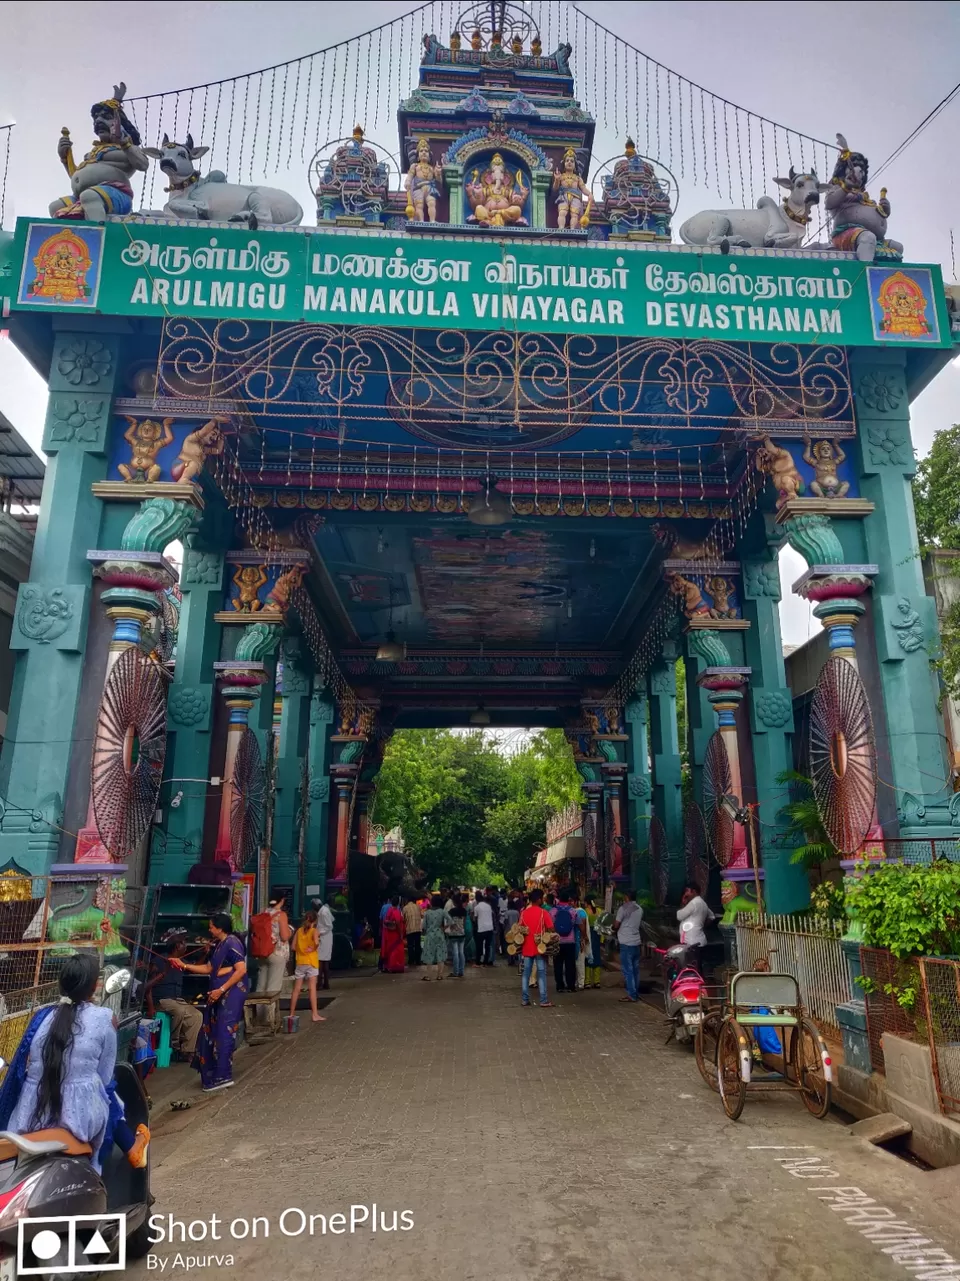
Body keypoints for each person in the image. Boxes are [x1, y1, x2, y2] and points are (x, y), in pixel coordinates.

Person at [0, 952, 149, 1171]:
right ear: (94, 986)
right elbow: (105, 1075)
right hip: (81, 1117)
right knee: (108, 1093)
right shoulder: (105, 1018)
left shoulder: (41, 1018)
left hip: (27, 1117)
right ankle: (130, 1147)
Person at [173, 913, 249, 1093]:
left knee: (224, 1032)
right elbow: (209, 968)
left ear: (220, 927)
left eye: (211, 926)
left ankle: (223, 1075)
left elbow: (241, 970)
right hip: (218, 993)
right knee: (213, 1031)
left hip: (230, 994)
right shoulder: (219, 944)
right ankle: (214, 1074)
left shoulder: (232, 943)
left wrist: (221, 990)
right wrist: (183, 965)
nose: (209, 929)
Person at [144, 930, 203, 1059]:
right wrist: (151, 1007)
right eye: (184, 943)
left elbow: (195, 967)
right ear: (177, 946)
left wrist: (206, 952)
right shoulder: (159, 961)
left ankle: (188, 1050)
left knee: (197, 1015)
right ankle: (174, 1043)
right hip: (162, 1000)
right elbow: (147, 987)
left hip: (177, 999)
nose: (186, 946)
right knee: (180, 1011)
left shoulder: (181, 961)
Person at [518, 888, 554, 1008]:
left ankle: (524, 999)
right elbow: (551, 928)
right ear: (538, 900)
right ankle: (543, 1000)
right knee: (541, 973)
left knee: (526, 973)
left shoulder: (523, 913)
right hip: (540, 948)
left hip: (527, 948)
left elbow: (519, 930)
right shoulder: (544, 913)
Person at [290, 911, 326, 1023]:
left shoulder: (299, 931)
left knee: (296, 989)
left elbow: (293, 947)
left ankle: (291, 1014)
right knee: (312, 989)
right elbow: (316, 943)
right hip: (311, 962)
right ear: (315, 921)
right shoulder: (314, 931)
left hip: (300, 962)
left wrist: (301, 950)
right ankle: (315, 1014)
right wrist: (313, 948)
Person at [255, 896, 291, 995]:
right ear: (282, 900)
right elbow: (284, 936)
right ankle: (269, 1010)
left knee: (261, 986)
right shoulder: (281, 915)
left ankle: (258, 1009)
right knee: (273, 988)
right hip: (276, 953)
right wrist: (290, 932)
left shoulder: (262, 913)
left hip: (262, 952)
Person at [677, 883, 716, 973]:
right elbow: (712, 916)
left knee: (692, 967)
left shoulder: (694, 903)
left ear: (693, 891)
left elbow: (679, 916)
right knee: (697, 966)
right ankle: (700, 984)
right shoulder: (702, 902)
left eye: (687, 891)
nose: (685, 894)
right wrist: (701, 926)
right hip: (698, 940)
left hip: (692, 942)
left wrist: (683, 902)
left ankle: (696, 985)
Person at [614, 889, 644, 1003]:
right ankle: (635, 993)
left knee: (628, 970)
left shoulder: (623, 908)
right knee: (635, 970)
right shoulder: (640, 909)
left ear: (627, 897)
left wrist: (613, 928)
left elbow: (616, 924)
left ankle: (631, 994)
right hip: (636, 941)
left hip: (626, 942)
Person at [551, 887, 579, 994]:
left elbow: (550, 926)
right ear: (568, 900)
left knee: (558, 964)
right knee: (570, 965)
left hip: (557, 941)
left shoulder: (553, 911)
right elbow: (579, 924)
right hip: (570, 941)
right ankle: (571, 986)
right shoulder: (573, 911)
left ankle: (560, 986)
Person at [420, 894, 452, 981]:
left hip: (430, 935)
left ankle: (428, 976)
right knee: (440, 955)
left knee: (429, 955)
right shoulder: (442, 911)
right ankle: (440, 975)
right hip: (440, 935)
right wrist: (444, 928)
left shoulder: (427, 912)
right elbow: (450, 920)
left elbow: (424, 926)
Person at [380, 896, 406, 973]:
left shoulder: (389, 910)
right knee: (396, 950)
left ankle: (388, 966)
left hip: (388, 934)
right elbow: (398, 923)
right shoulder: (396, 911)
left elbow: (383, 920)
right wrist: (401, 934)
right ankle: (395, 966)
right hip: (395, 934)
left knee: (389, 950)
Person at [313, 896, 334, 990]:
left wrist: (319, 933)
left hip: (325, 937)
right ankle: (325, 983)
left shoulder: (324, 912)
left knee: (321, 960)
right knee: (324, 960)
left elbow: (329, 926)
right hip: (324, 937)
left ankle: (321, 983)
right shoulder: (322, 911)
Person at [445, 892, 468, 977]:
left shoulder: (451, 911)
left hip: (453, 935)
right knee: (461, 953)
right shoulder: (464, 911)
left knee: (455, 953)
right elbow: (464, 923)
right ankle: (461, 972)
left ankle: (455, 972)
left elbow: (449, 922)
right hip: (462, 933)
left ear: (454, 902)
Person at [584, 896, 604, 989]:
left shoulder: (585, 911)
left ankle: (587, 981)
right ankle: (597, 981)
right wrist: (602, 939)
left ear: (586, 903)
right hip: (597, 935)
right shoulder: (600, 911)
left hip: (588, 935)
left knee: (588, 956)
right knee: (597, 956)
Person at [474, 891, 496, 967]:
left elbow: (475, 919)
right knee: (487, 946)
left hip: (481, 928)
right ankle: (486, 962)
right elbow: (492, 916)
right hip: (490, 928)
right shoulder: (488, 906)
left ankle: (478, 961)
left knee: (479, 946)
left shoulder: (476, 907)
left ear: (477, 900)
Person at [402, 896, 423, 967]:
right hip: (418, 929)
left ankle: (411, 961)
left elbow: (403, 919)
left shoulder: (405, 908)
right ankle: (418, 961)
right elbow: (422, 915)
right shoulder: (418, 907)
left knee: (410, 945)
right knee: (417, 945)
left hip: (409, 929)